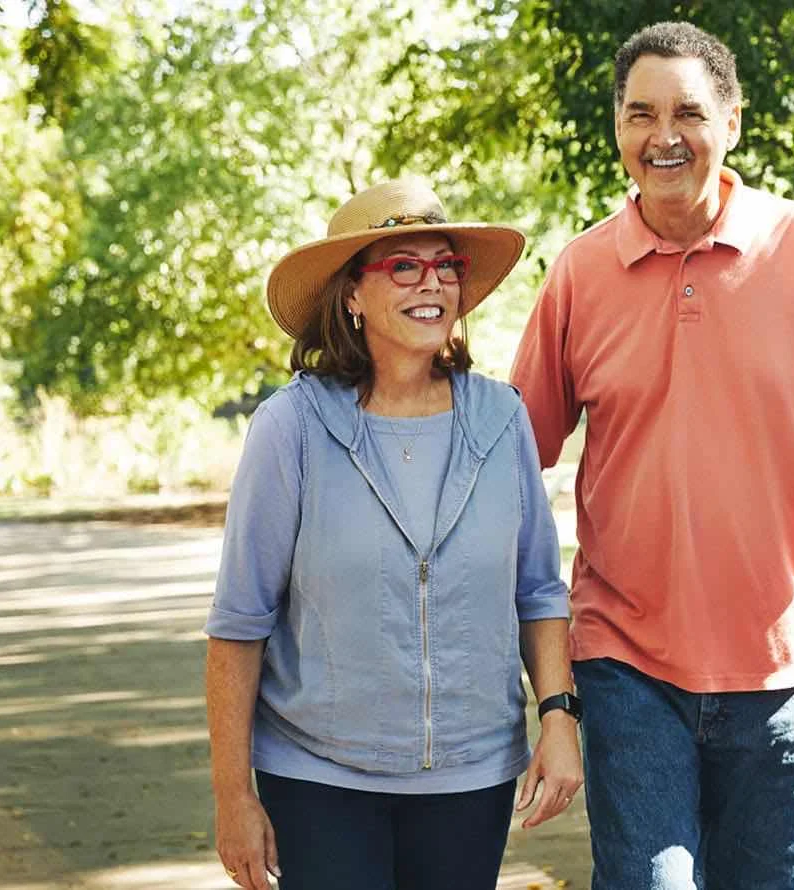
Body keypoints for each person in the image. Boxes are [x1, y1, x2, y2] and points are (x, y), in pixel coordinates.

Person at [509, 21, 794, 889]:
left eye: (688, 113)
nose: (663, 136)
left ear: (731, 122)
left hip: (784, 662)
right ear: (619, 131)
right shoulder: (581, 274)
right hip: (627, 660)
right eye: (640, 114)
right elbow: (513, 462)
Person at [203, 178, 582, 890]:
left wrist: (559, 720)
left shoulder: (502, 420)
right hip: (318, 779)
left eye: (446, 265)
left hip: (472, 780)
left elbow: (538, 591)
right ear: (352, 294)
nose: (430, 282)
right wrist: (233, 797)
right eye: (403, 265)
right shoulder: (292, 430)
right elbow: (239, 624)